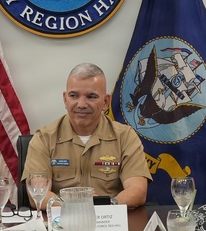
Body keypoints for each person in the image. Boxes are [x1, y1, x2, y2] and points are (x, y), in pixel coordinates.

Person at [22, 63, 151, 209]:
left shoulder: (125, 137)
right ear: (65, 99)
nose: (82, 104)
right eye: (74, 96)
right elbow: (38, 196)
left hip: (110, 221)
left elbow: (138, 191)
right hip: (61, 223)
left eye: (91, 96)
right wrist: (79, 206)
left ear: (105, 102)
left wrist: (106, 206)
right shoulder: (44, 138)